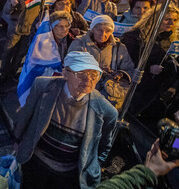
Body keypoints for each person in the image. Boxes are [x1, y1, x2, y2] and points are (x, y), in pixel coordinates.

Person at [13, 51, 117, 189]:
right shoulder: (42, 85)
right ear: (65, 74)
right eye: (81, 74)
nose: (88, 81)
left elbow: (104, 145)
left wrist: (92, 164)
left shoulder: (107, 111)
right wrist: (17, 140)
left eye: (93, 75)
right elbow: (26, 115)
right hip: (36, 162)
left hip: (68, 174)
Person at [0, 0, 45, 88]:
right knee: (7, 52)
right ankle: (3, 75)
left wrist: (40, 22)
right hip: (15, 27)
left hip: (29, 30)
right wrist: (11, 4)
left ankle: (13, 75)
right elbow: (5, 11)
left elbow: (42, 12)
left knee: (20, 54)